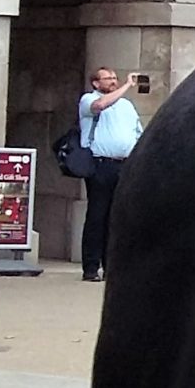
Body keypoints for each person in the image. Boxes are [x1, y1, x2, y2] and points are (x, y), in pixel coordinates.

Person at [75, 67, 141, 282]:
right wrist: (126, 86)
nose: (113, 81)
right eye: (108, 79)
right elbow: (100, 105)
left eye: (115, 78)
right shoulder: (89, 99)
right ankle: (91, 267)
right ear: (96, 83)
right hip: (100, 165)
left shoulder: (127, 106)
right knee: (97, 215)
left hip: (123, 164)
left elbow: (136, 131)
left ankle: (111, 264)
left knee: (117, 216)